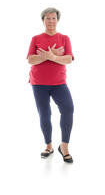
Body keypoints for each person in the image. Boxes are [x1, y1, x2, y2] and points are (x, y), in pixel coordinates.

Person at [27, 8, 75, 163]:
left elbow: (68, 59)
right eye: (47, 18)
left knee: (68, 109)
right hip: (38, 83)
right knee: (45, 114)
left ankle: (64, 146)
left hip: (59, 83)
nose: (50, 21)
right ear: (43, 20)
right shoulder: (36, 38)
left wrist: (51, 56)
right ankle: (48, 145)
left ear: (57, 20)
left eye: (53, 18)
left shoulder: (64, 38)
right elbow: (31, 60)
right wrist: (50, 56)